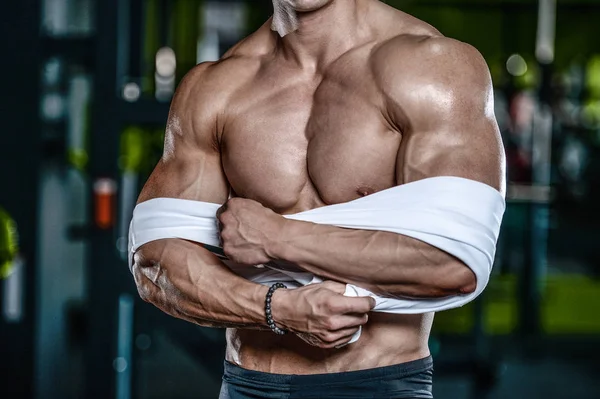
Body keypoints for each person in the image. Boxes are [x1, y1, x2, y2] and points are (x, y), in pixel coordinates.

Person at [131, 0, 505, 397]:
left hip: (377, 384)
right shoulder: (217, 87)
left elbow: (455, 262)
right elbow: (155, 261)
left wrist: (277, 237)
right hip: (247, 384)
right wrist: (278, 309)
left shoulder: (433, 68)